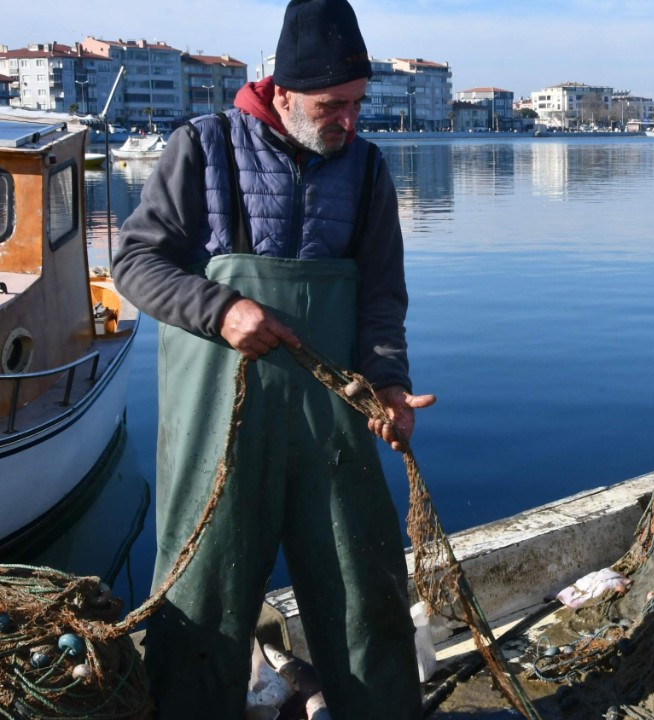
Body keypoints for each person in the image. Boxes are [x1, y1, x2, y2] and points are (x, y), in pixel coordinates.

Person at [111, 0, 430, 716]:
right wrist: (222, 310)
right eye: (332, 105)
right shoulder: (202, 148)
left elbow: (381, 299)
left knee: (364, 595)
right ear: (282, 92)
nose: (348, 121)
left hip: (332, 430)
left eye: (356, 104)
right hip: (219, 428)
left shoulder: (369, 172)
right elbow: (134, 262)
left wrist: (388, 383)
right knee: (201, 600)